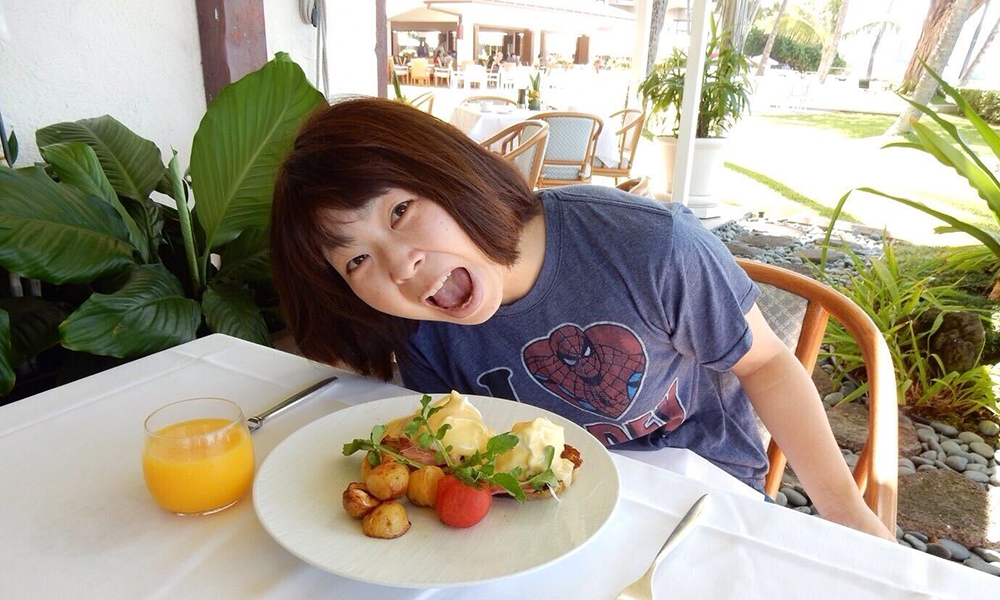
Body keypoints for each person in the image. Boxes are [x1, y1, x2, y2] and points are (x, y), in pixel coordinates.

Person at [269, 98, 896, 542]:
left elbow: (766, 363)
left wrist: (846, 512)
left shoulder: (649, 247)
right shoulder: (419, 326)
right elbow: (462, 452)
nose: (400, 264)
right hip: (543, 506)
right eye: (356, 259)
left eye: (400, 210)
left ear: (451, 172)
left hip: (694, 493)